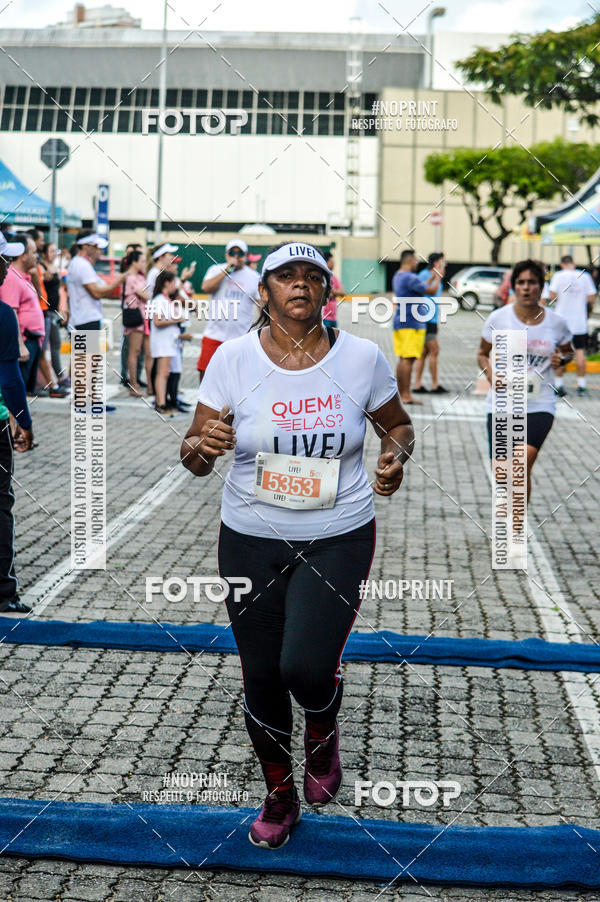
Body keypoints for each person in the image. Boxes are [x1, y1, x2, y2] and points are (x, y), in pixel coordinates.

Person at [181, 241, 414, 850]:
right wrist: (203, 445)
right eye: (286, 276)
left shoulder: (362, 356)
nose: (300, 285)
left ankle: (322, 725)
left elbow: (398, 426)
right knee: (260, 672)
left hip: (337, 532)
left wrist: (394, 457)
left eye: (313, 276)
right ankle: (279, 794)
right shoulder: (232, 359)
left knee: (305, 667)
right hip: (250, 537)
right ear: (264, 292)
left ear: (326, 293)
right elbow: (192, 455)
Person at [478, 260, 574, 501]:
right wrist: (490, 374)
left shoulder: (556, 323)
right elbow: (481, 354)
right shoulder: (498, 318)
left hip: (539, 405)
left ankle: (515, 530)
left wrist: (561, 360)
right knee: (502, 474)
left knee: (519, 468)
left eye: (532, 282)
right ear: (514, 287)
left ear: (541, 287)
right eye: (521, 282)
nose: (526, 287)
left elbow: (568, 351)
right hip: (502, 405)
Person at [0, 232, 35, 614]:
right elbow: (9, 379)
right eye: (3, 260)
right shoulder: (2, 314)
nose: (8, 266)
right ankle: (4, 591)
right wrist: (24, 422)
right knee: (0, 504)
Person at [196, 239, 260, 382]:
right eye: (232, 252)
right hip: (214, 334)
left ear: (246, 256)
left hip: (240, 337)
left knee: (237, 377)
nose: (236, 256)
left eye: (240, 253)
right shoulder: (215, 269)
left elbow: (261, 304)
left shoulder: (254, 277)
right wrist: (227, 270)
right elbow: (206, 288)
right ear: (226, 255)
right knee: (206, 372)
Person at [391, 249, 441, 405]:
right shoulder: (410, 277)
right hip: (412, 324)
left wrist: (433, 276)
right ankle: (406, 395)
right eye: (416, 260)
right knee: (408, 360)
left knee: (403, 359)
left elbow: (421, 286)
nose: (417, 263)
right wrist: (439, 277)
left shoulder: (399, 276)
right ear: (410, 260)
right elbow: (431, 291)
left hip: (402, 322)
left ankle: (401, 394)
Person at [0, 235, 45, 396]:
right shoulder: (10, 277)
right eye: (33, 252)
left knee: (25, 390)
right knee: (17, 391)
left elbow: (41, 300)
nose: (36, 256)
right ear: (23, 256)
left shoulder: (23, 276)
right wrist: (20, 345)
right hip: (25, 340)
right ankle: (16, 420)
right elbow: (12, 312)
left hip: (32, 339)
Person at [548, 255, 596, 397]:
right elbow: (592, 298)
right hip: (579, 322)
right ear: (574, 264)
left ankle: (559, 385)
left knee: (560, 353)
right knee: (580, 353)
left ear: (562, 264)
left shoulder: (558, 275)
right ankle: (581, 386)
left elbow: (552, 296)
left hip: (562, 321)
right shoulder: (585, 276)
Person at [149, 271, 187, 415]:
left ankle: (163, 401)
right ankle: (160, 403)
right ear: (167, 283)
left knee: (165, 373)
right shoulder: (159, 300)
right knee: (162, 373)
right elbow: (157, 321)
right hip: (162, 342)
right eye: (173, 283)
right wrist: (177, 320)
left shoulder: (166, 300)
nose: (175, 286)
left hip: (169, 341)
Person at [413, 253, 448, 394]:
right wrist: (437, 277)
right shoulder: (424, 275)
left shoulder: (433, 277)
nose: (445, 265)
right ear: (435, 264)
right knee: (434, 350)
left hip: (431, 319)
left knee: (424, 352)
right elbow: (428, 292)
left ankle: (417, 384)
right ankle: (435, 384)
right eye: (442, 263)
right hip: (424, 318)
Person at [40, 241, 69, 395]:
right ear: (44, 253)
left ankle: (60, 377)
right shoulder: (42, 268)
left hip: (54, 312)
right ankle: (54, 380)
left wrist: (63, 311)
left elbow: (60, 291)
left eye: (54, 251)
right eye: (50, 251)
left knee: (56, 345)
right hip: (46, 312)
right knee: (46, 348)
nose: (53, 254)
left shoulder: (54, 268)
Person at [122, 249, 152, 397]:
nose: (143, 264)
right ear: (134, 262)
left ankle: (142, 384)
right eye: (141, 261)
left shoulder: (140, 277)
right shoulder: (131, 278)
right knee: (134, 352)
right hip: (136, 319)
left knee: (144, 352)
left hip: (144, 318)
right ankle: (133, 385)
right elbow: (146, 295)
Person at [321, 253, 345, 329]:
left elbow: (343, 292)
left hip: (333, 318)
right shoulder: (321, 277)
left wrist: (331, 291)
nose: (334, 264)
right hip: (324, 318)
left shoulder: (333, 278)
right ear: (326, 262)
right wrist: (332, 292)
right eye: (332, 262)